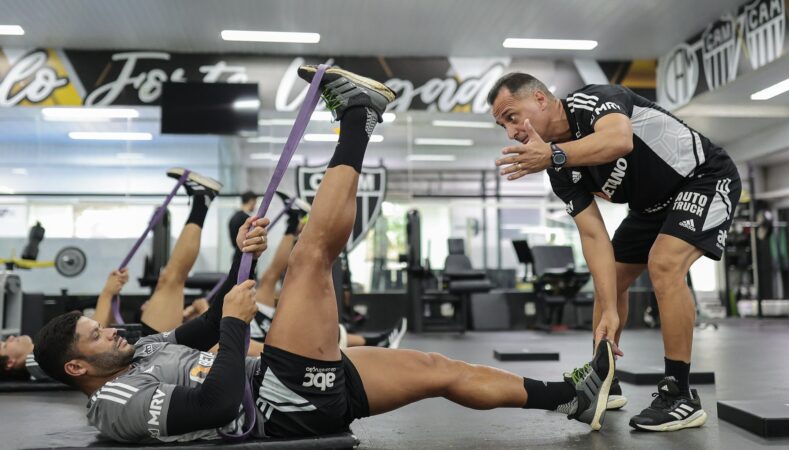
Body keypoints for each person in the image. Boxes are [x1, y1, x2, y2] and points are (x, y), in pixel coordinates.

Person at [32, 66, 615, 444]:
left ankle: (572, 394)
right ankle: (360, 117)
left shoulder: (142, 347)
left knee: (442, 371)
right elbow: (213, 405)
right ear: (77, 369)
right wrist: (236, 326)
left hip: (288, 380)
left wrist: (248, 262)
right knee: (312, 257)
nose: (111, 332)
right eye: (96, 336)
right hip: (277, 407)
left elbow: (210, 322)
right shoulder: (113, 404)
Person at [488, 73, 741, 431]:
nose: (511, 132)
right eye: (503, 126)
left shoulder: (594, 101)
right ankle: (604, 381)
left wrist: (555, 155)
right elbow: (593, 237)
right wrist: (609, 308)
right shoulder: (559, 169)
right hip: (650, 207)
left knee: (664, 264)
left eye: (512, 117)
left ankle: (680, 395)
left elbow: (618, 140)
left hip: (704, 177)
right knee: (611, 281)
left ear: (541, 99)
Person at [0, 169, 221, 381]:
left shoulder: (41, 359)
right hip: (140, 354)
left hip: (135, 347)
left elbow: (94, 338)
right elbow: (88, 339)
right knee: (172, 280)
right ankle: (202, 200)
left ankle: (202, 201)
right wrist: (107, 293)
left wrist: (112, 295)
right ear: (10, 363)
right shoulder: (36, 362)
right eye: (3, 345)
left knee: (171, 281)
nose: (9, 337)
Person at [252, 206, 406, 349]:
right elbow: (252, 352)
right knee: (311, 331)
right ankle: (377, 343)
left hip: (258, 327)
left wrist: (292, 225)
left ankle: (377, 342)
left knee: (269, 281)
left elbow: (272, 274)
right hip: (271, 347)